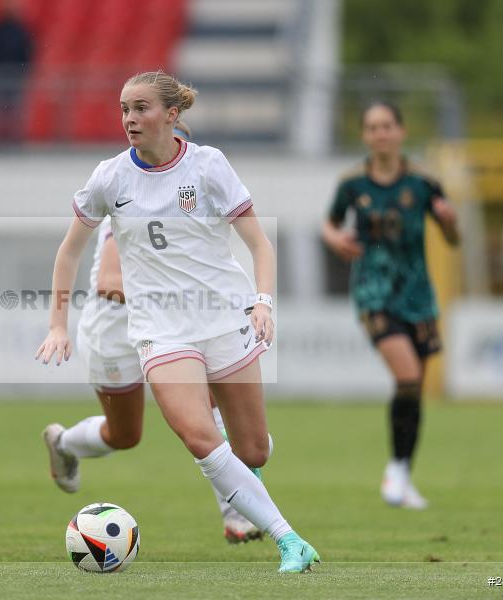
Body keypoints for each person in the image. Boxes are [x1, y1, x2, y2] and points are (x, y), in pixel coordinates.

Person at [36, 71, 319, 573]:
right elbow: (68, 252)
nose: (129, 119)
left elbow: (259, 243)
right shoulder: (110, 177)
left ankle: (242, 491)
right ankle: (288, 539)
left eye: (140, 108)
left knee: (253, 448)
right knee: (199, 436)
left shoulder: (209, 166)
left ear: (172, 114)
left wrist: (262, 302)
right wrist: (57, 324)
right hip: (159, 333)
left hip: (221, 319)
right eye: (123, 109)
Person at [43, 119, 268, 545]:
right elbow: (110, 279)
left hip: (170, 327)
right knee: (124, 435)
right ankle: (65, 443)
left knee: (210, 410)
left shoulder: (196, 183)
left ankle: (238, 515)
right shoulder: (127, 196)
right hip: (114, 328)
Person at [322, 101, 459, 510]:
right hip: (373, 292)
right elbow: (330, 223)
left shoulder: (424, 182)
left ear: (400, 131)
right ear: (365, 136)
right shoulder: (352, 185)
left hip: (418, 295)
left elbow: (453, 239)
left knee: (413, 389)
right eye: (372, 127)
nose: (380, 134)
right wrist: (334, 239)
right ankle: (396, 474)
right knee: (408, 374)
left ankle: (401, 470)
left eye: (386, 126)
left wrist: (450, 221)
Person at [0, 0, 33, 142]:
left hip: (16, 75)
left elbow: (27, 51)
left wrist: (24, 69)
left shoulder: (21, 30)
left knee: (15, 111)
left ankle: (15, 141)